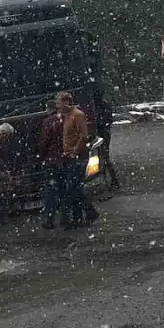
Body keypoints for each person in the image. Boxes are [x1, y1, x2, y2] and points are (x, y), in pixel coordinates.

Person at [57, 91, 93, 229]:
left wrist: (75, 152)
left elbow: (84, 136)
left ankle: (89, 213)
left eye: (59, 103)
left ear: (66, 103)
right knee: (73, 188)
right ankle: (78, 217)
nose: (57, 106)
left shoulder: (77, 115)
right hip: (69, 156)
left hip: (77, 157)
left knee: (74, 187)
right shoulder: (66, 116)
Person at [37, 102, 67, 229]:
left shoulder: (48, 122)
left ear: (49, 109)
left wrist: (41, 155)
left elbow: (45, 141)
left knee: (50, 191)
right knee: (64, 190)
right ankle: (66, 218)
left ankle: (49, 219)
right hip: (65, 159)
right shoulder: (65, 119)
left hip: (52, 161)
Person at [94, 86, 121, 190]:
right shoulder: (104, 105)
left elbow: (107, 120)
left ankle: (112, 180)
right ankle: (110, 180)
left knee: (104, 158)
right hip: (104, 133)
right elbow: (109, 120)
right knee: (104, 158)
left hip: (102, 133)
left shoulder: (98, 106)